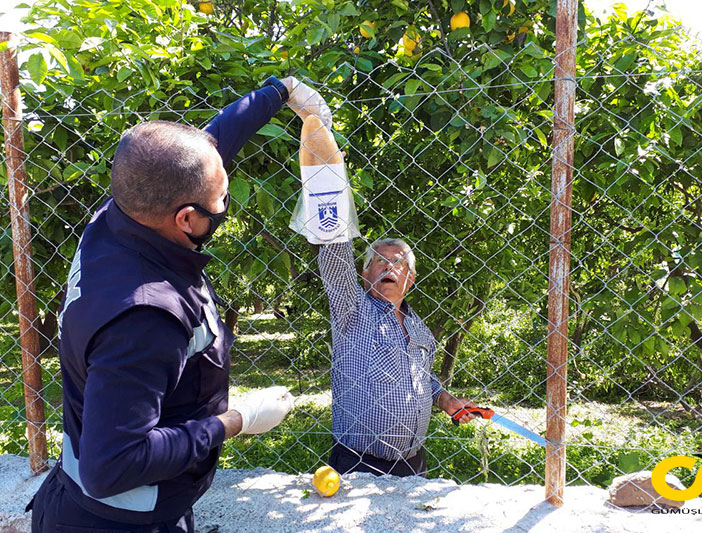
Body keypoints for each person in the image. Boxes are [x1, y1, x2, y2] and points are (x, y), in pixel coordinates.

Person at [28, 76, 330, 532]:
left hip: (97, 503)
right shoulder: (147, 316)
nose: (226, 202)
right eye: (221, 199)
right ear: (187, 219)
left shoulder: (116, 218)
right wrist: (235, 421)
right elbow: (110, 466)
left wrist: (278, 92)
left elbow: (194, 158)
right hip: (123, 521)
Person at [295, 117, 479, 477]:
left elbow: (423, 378)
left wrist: (447, 401)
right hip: (357, 464)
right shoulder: (351, 309)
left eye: (398, 263)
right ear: (365, 275)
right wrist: (329, 182)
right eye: (378, 262)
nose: (387, 268)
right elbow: (334, 259)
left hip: (414, 465)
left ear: (410, 278)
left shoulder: (419, 327)